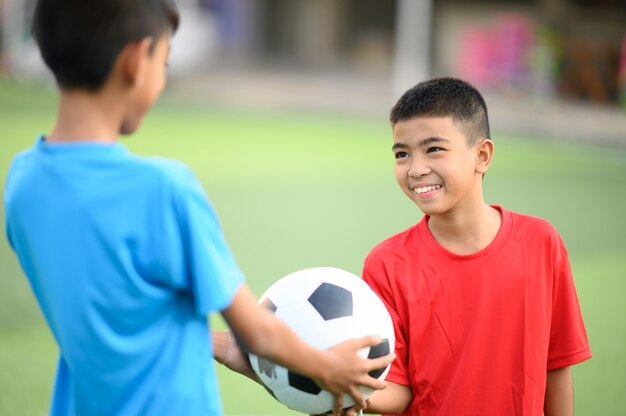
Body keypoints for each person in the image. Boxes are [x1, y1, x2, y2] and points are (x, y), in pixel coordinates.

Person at [3, 1, 393, 415]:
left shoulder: (23, 181)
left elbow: (122, 316)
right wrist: (329, 368)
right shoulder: (163, 190)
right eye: (165, 63)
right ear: (137, 60)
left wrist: (207, 342)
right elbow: (257, 331)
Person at [346, 77, 591, 415]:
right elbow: (399, 390)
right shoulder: (386, 263)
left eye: (433, 149)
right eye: (402, 154)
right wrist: (345, 391)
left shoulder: (541, 242)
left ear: (482, 155)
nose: (416, 169)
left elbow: (558, 366)